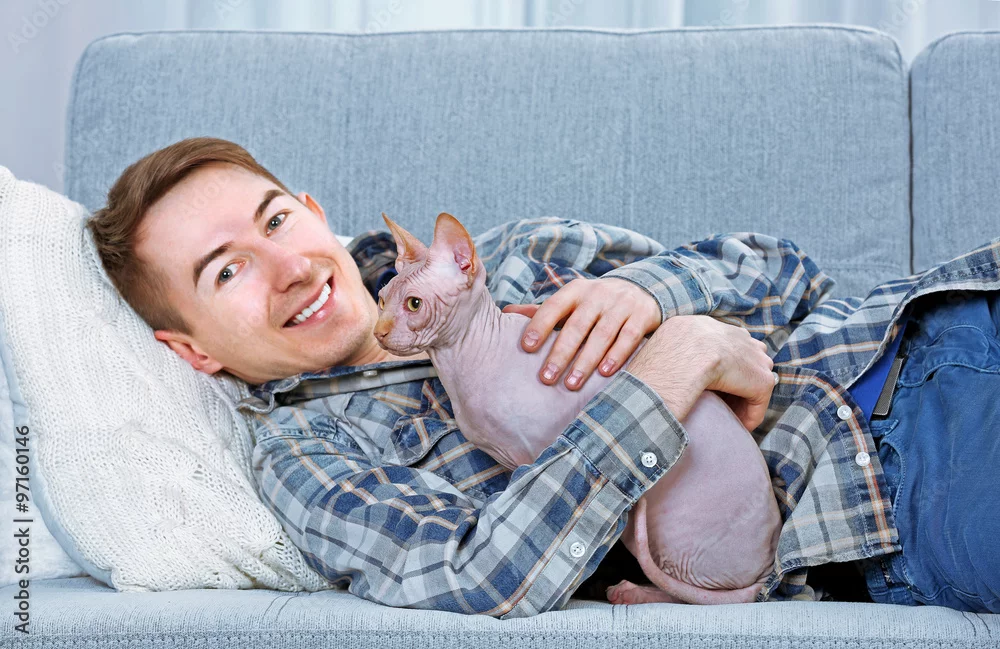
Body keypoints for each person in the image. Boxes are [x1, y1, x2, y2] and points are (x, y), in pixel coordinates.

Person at [85, 137, 999, 618]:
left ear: (314, 211)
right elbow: (481, 576)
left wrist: (657, 296)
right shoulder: (311, 457)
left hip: (934, 319)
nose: (287, 268)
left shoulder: (513, 256)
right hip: (901, 491)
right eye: (228, 271)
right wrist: (673, 364)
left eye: (277, 220)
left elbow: (788, 271)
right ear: (193, 352)